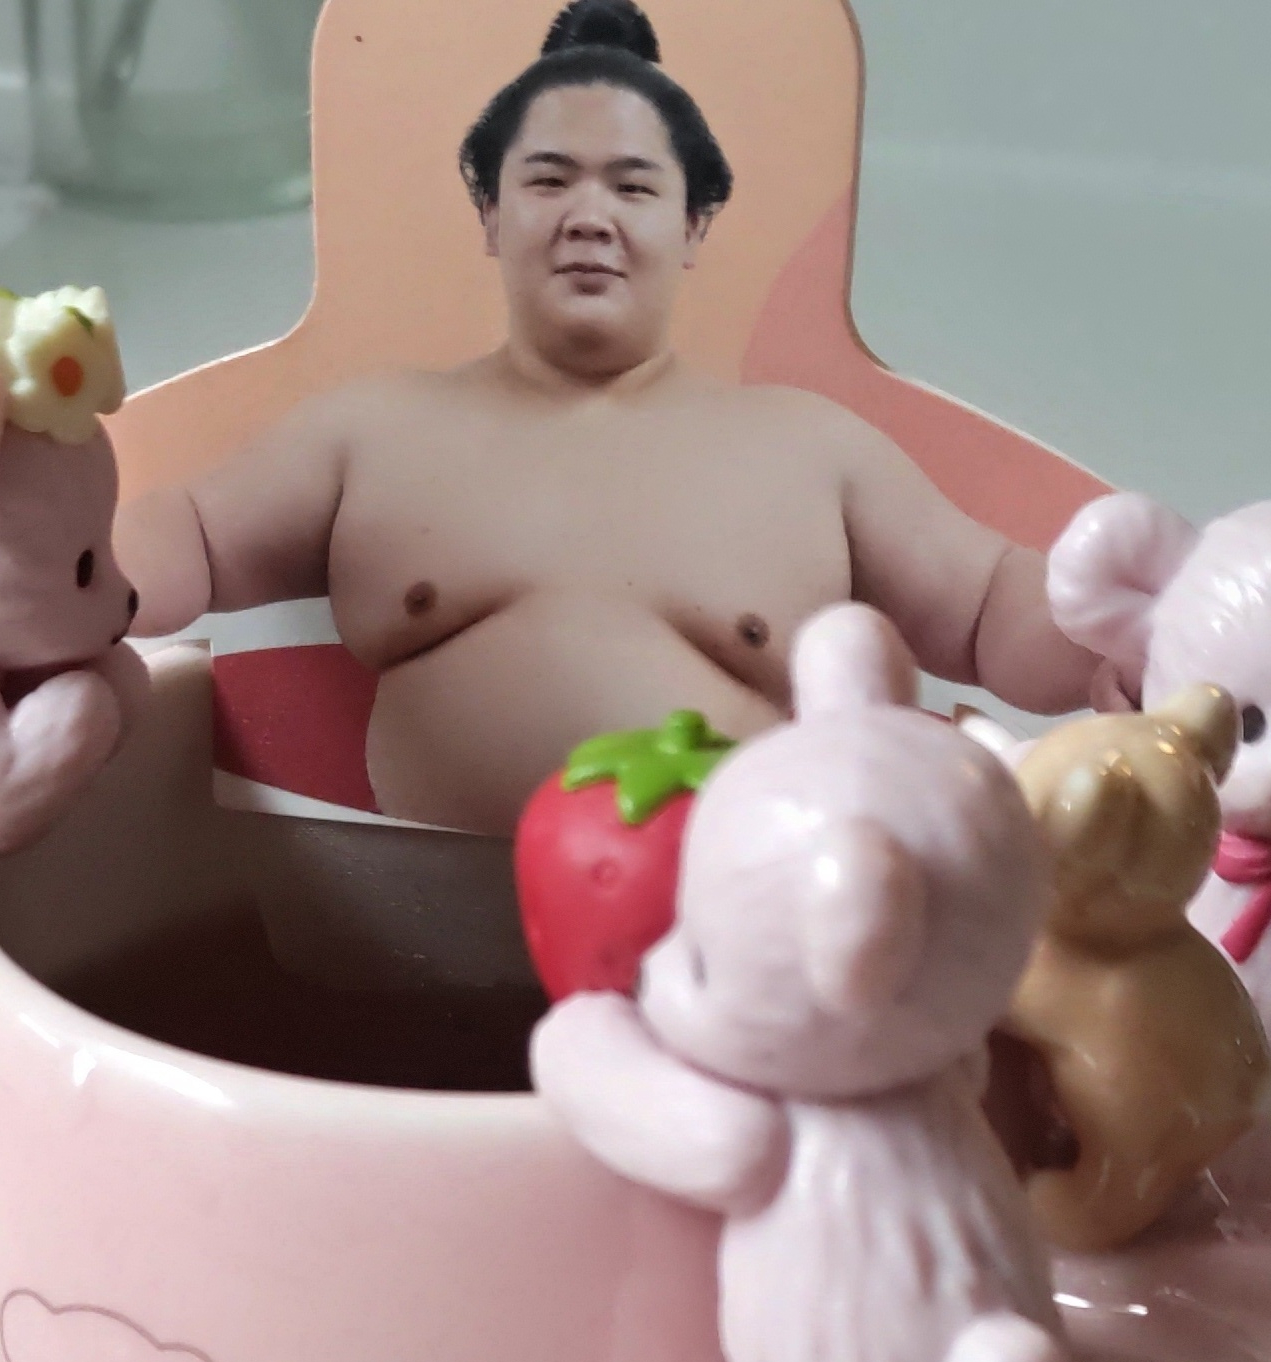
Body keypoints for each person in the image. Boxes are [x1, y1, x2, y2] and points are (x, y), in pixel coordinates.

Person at [117, 0, 1100, 836]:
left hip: (740, 944)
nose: (590, 216)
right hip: (396, 933)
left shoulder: (813, 449)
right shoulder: (371, 429)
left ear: (693, 224)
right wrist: (61, 578)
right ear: (490, 212)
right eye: (549, 179)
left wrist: (1131, 635)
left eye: (633, 186)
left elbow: (988, 608)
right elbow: (191, 535)